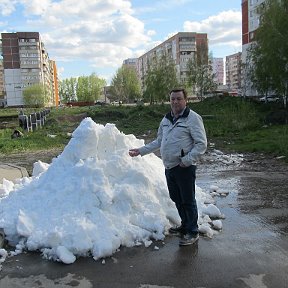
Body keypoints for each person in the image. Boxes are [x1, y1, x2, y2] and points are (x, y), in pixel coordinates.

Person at [129, 88, 207, 246]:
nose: (175, 102)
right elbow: (159, 141)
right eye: (173, 99)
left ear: (186, 100)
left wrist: (187, 160)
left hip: (184, 167)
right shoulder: (166, 120)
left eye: (179, 99)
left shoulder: (192, 118)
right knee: (176, 198)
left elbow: (201, 144)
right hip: (170, 166)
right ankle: (184, 225)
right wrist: (141, 150)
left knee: (188, 200)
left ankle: (192, 231)